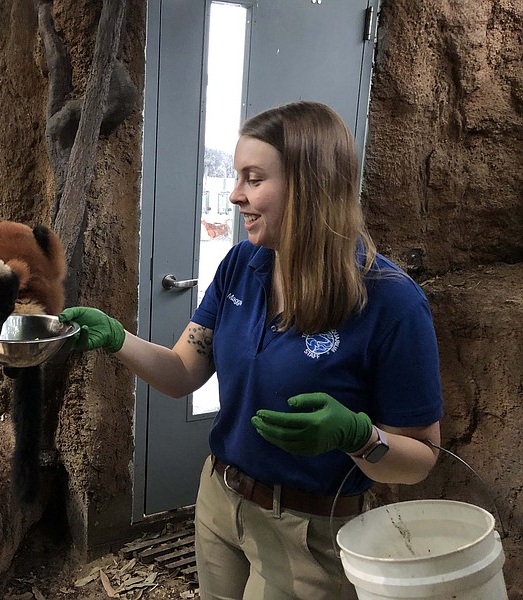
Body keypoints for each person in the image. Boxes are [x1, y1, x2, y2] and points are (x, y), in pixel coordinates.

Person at [59, 101, 443, 600]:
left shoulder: (392, 303)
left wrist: (359, 436)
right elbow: (181, 373)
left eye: (254, 178)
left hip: (308, 527)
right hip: (220, 500)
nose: (236, 195)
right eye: (237, 177)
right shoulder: (243, 264)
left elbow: (421, 458)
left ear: (311, 185)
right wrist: (116, 339)